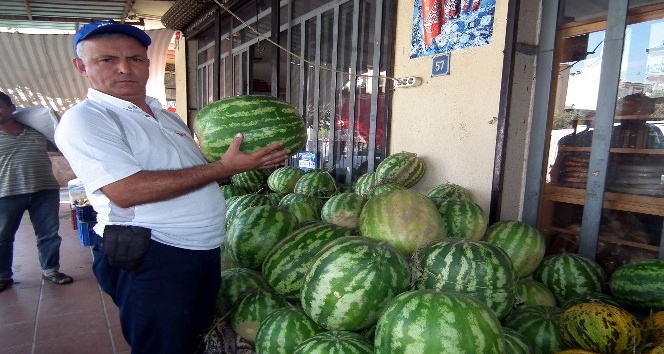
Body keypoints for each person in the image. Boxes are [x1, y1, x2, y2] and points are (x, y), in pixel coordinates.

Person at [54, 20, 290, 354]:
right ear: (82, 67)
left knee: (194, 339)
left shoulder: (165, 115)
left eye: (135, 59)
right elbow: (126, 190)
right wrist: (222, 167)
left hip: (201, 250)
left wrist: (246, 165)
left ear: (147, 64)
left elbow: (197, 173)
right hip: (154, 253)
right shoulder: (87, 119)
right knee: (162, 346)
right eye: (107, 60)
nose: (125, 68)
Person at [0, 92, 74, 292]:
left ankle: (51, 270)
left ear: (11, 107)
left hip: (45, 190)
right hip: (6, 194)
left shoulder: (36, 130)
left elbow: (60, 146)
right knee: (3, 236)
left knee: (49, 234)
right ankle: (3, 275)